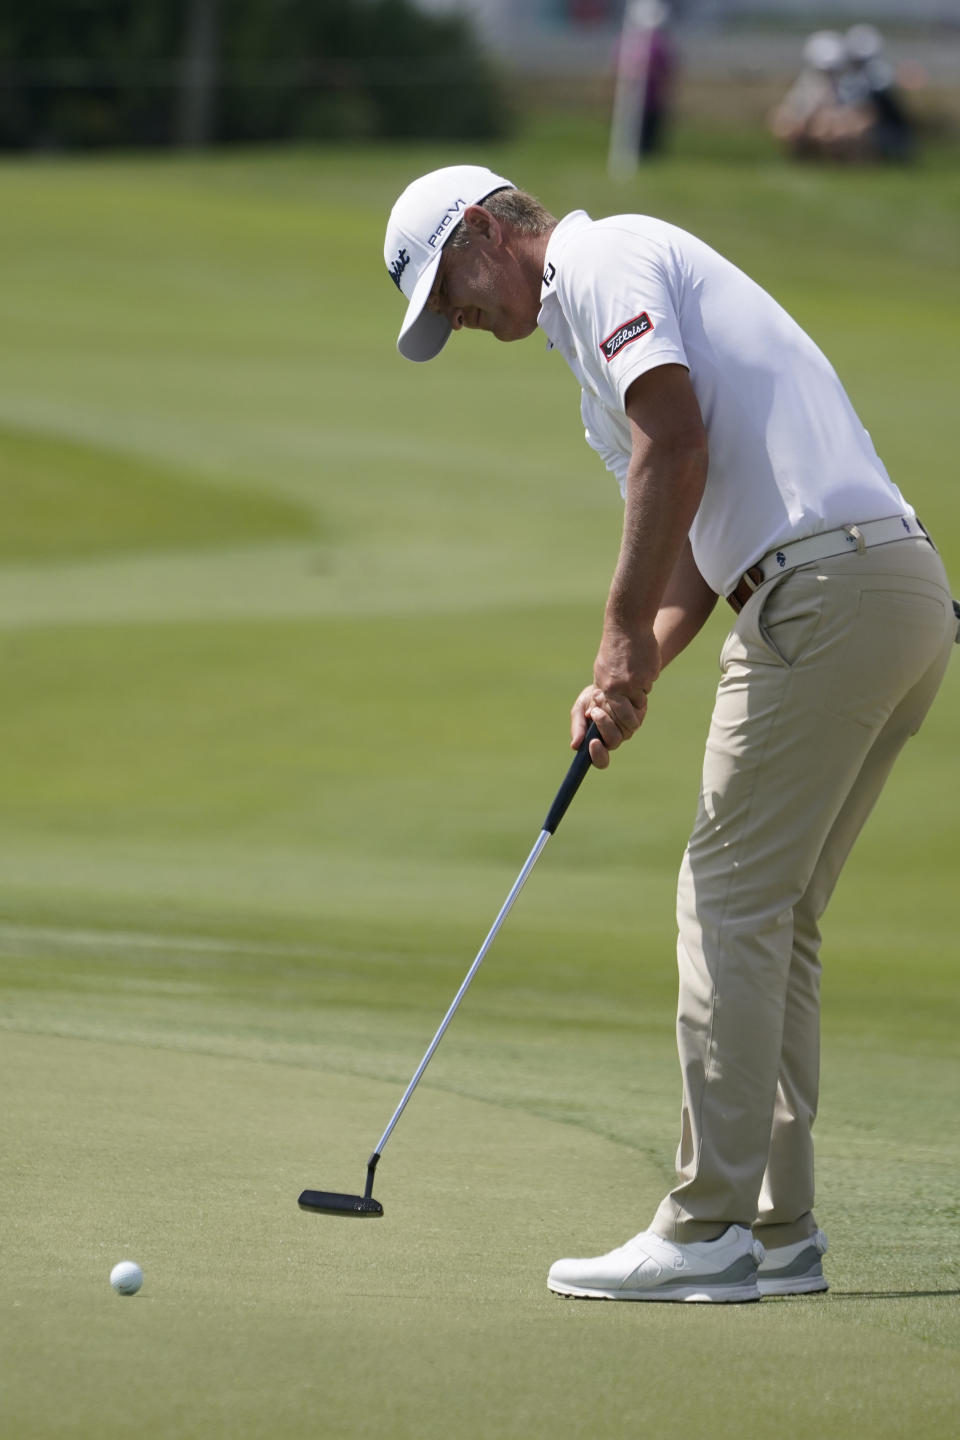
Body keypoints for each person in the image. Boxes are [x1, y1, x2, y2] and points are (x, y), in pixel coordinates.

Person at [383, 166, 956, 1302]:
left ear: (490, 232)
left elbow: (675, 446)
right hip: (890, 591)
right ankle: (780, 1230)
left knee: (727, 899)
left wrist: (613, 637)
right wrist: (636, 669)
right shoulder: (589, 350)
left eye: (448, 288)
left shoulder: (604, 260)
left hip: (827, 590)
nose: (455, 318)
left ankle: (707, 1230)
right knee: (776, 915)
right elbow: (688, 527)